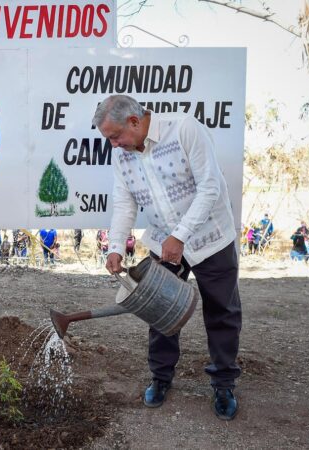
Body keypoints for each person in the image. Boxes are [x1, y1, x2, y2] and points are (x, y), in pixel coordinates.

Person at [95, 94, 241, 421]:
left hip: (211, 238)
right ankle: (161, 378)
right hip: (164, 241)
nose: (114, 145)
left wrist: (182, 234)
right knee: (159, 309)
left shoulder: (185, 129)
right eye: (109, 139)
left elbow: (210, 188)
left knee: (222, 311)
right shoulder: (122, 156)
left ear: (135, 121)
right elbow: (124, 203)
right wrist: (116, 246)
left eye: (115, 136)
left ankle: (223, 383)